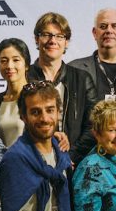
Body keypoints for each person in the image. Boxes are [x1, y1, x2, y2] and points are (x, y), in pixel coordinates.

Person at [0, 81, 74, 211]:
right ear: (23, 116)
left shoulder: (61, 151)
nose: (44, 118)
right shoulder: (15, 158)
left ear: (59, 112)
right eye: (35, 112)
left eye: (50, 110)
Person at [28, 12, 99, 162]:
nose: (52, 40)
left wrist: (70, 155)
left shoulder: (82, 78)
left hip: (74, 163)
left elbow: (93, 125)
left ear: (66, 42)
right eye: (46, 35)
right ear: (36, 39)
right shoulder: (25, 78)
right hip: (33, 160)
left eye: (59, 36)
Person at [0, 38, 31, 147]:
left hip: (30, 162)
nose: (9, 66)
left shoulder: (37, 97)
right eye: (3, 61)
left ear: (26, 65)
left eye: (16, 60)